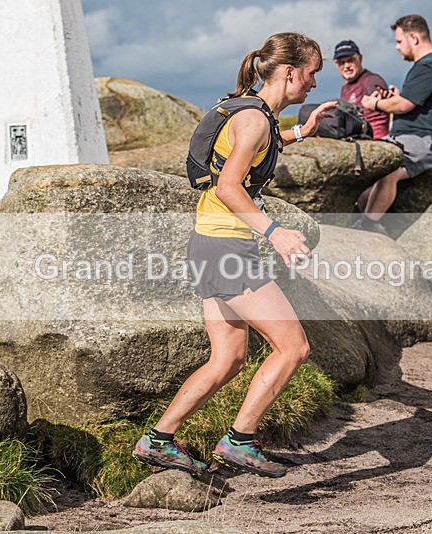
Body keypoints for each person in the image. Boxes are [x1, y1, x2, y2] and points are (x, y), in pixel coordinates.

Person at [133, 32, 336, 479]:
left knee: (228, 359)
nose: (314, 83)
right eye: (312, 73)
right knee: (293, 347)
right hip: (228, 249)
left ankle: (158, 440)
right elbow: (228, 186)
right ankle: (239, 440)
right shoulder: (254, 120)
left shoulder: (250, 111)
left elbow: (253, 149)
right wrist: (276, 232)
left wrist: (302, 131)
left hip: (209, 243)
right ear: (289, 72)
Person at [353, 14, 432, 234]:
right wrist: (395, 97)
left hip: (428, 139)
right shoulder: (428, 66)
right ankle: (366, 222)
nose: (397, 47)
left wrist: (375, 103)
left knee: (388, 169)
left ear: (414, 38)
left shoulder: (429, 66)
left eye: (399, 41)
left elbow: (403, 106)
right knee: (366, 175)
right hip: (413, 136)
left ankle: (369, 226)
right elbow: (409, 101)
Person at [333, 39, 390, 139]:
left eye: (350, 60)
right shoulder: (344, 88)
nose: (346, 66)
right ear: (336, 64)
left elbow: (379, 121)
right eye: (342, 62)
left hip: (374, 142)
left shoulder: (372, 80)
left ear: (360, 58)